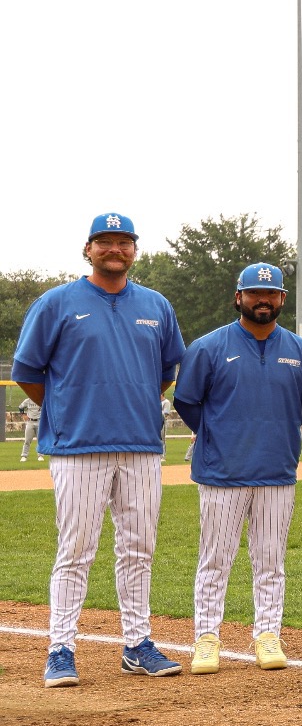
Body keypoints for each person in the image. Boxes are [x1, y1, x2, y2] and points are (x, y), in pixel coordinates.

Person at [14, 212, 185, 688]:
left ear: (134, 250)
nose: (115, 250)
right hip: (78, 447)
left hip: (141, 447)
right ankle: (61, 649)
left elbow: (169, 370)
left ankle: (137, 644)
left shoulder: (156, 305)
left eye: (124, 242)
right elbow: (28, 371)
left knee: (139, 549)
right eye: (105, 242)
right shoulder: (57, 303)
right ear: (88, 249)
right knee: (76, 549)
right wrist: (66, 408)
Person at [173, 262, 302, 674]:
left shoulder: (300, 350)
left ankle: (267, 633)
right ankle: (206, 637)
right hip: (222, 473)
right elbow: (188, 402)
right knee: (214, 560)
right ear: (239, 297)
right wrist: (219, 433)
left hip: (276, 471)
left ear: (282, 300)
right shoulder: (208, 346)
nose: (263, 300)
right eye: (255, 293)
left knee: (270, 561)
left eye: (271, 294)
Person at [17, 395, 42, 461]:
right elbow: (20, 407)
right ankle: (24, 456)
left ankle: (40, 455)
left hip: (39, 421)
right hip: (30, 421)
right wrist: (23, 415)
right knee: (27, 440)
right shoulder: (28, 400)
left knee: (40, 440)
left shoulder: (40, 400)